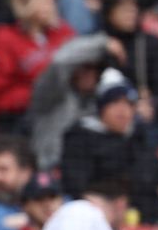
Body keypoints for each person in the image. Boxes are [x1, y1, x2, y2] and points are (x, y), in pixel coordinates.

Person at [61, 80, 158, 222]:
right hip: (99, 213)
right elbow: (76, 185)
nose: (122, 110)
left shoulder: (139, 135)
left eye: (129, 104)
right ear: (102, 108)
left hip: (144, 211)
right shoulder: (81, 137)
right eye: (115, 103)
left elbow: (156, 173)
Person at [0, 0, 74, 123]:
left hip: (65, 108)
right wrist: (38, 95)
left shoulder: (62, 32)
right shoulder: (4, 38)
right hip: (21, 116)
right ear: (23, 2)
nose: (49, 5)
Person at [25, 34, 113, 170]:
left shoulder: (101, 103)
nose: (87, 74)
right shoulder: (51, 95)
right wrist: (103, 42)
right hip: (50, 168)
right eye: (82, 69)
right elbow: (59, 62)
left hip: (87, 172)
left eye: (93, 69)